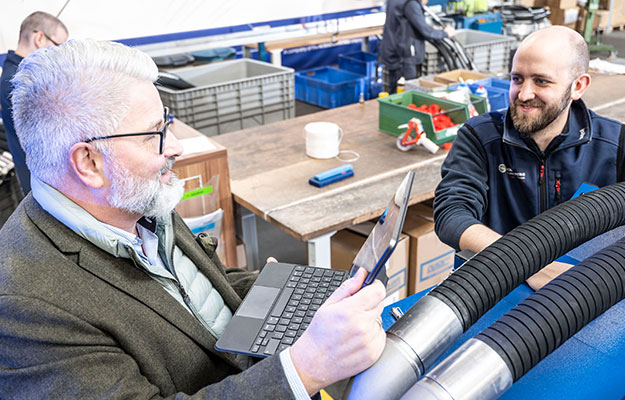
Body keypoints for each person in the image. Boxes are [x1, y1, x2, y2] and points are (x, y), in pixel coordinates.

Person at [0, 39, 387, 399]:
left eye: (166, 124)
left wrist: (275, 291)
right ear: (89, 162)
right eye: (154, 134)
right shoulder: (23, 303)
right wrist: (305, 368)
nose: (176, 147)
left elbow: (196, 287)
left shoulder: (132, 201)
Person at [433, 26, 625, 291]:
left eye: (541, 81)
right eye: (517, 79)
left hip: (586, 291)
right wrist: (528, 264)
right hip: (495, 286)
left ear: (578, 85)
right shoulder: (480, 137)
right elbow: (451, 215)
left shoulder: (615, 145)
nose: (523, 94)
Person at [0, 11, 68, 195]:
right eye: (59, 46)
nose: (60, 55)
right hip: (44, 185)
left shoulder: (14, 73)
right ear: (39, 38)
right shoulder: (21, 82)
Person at [380, 0, 455, 94]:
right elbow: (425, 30)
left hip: (393, 52)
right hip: (404, 56)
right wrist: (445, 33)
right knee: (407, 92)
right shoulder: (410, 4)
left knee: (395, 90)